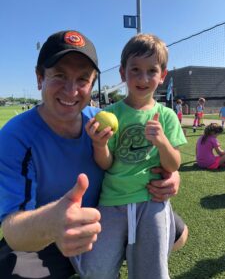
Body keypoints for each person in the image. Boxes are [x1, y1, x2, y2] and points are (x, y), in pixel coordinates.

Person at [0, 30, 186, 279]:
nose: (71, 90)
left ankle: (121, 252)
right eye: (59, 75)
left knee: (179, 234)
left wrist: (172, 177)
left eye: (82, 79)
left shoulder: (100, 122)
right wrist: (54, 224)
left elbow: (158, 160)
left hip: (117, 211)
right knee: (11, 271)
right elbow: (13, 229)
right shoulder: (16, 137)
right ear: (39, 78)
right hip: (50, 232)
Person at [71, 33, 187, 279]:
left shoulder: (166, 116)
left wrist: (162, 142)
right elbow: (106, 163)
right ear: (123, 73)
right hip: (112, 201)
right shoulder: (110, 113)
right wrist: (99, 144)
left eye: (151, 71)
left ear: (162, 75)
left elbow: (174, 164)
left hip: (151, 201)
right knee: (96, 269)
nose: (143, 78)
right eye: (135, 70)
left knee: (152, 272)